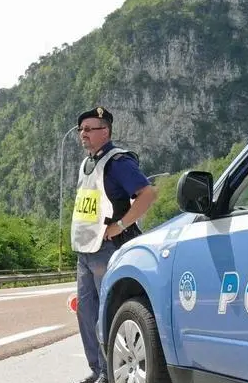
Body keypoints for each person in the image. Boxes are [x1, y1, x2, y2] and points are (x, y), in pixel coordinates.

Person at [70, 106, 157, 383]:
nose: (83, 133)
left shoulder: (118, 162)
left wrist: (120, 225)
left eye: (89, 128)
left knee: (107, 313)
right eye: (81, 129)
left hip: (109, 249)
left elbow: (147, 194)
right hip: (85, 250)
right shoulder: (87, 164)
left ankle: (109, 371)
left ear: (105, 131)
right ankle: (98, 370)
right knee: (86, 313)